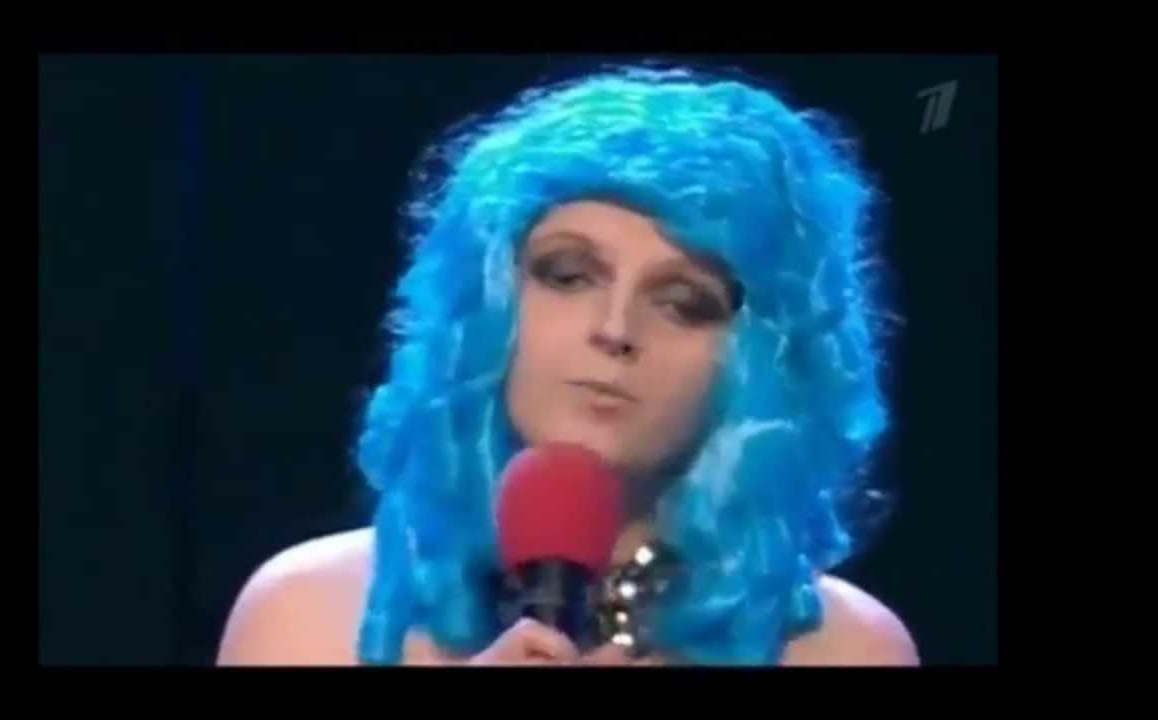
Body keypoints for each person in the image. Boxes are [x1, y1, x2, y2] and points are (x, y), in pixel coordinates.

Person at [216, 62, 918, 666]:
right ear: (482, 304)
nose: (615, 330)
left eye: (684, 304)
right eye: (568, 275)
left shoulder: (844, 647)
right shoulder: (310, 613)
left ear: (765, 367)